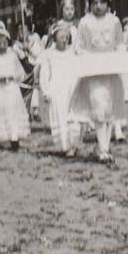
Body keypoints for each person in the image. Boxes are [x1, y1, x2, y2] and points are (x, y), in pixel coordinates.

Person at [69, 0, 128, 162]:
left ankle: (104, 147)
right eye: (94, 3)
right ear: (89, 5)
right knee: (98, 105)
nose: (98, 6)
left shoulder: (114, 21)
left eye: (102, 2)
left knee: (109, 109)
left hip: (110, 71)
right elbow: (78, 47)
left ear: (108, 4)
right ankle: (103, 148)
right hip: (93, 71)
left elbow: (120, 43)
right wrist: (87, 57)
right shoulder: (85, 22)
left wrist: (119, 55)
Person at [38, 21, 79, 156]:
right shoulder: (49, 54)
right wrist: (46, 91)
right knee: (60, 115)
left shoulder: (73, 52)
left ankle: (74, 144)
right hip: (57, 88)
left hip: (72, 87)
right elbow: (44, 74)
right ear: (54, 37)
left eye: (66, 35)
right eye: (61, 35)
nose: (64, 38)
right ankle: (65, 146)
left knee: (73, 115)